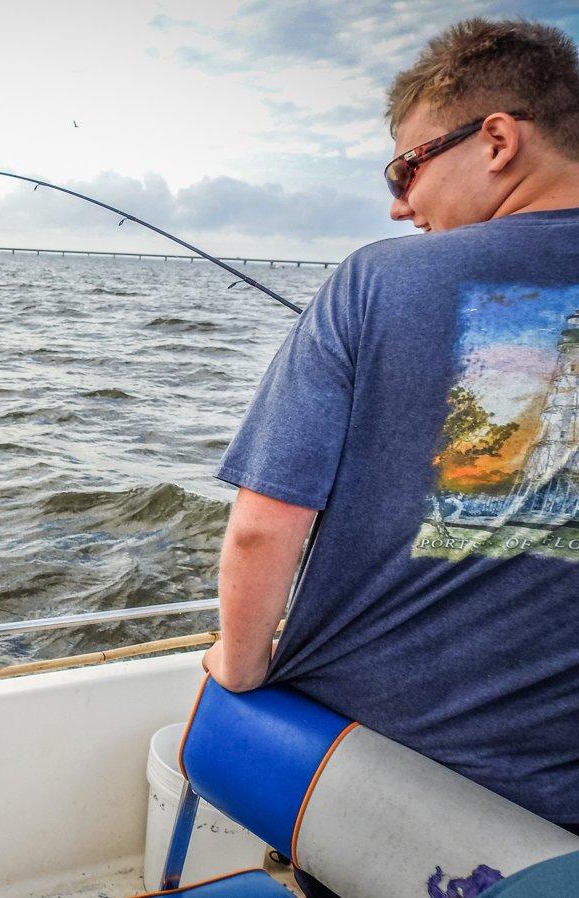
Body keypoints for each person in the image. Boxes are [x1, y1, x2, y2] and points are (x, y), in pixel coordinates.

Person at [199, 19, 579, 897]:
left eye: (405, 168)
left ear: (496, 140)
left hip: (374, 774)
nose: (400, 205)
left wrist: (239, 665)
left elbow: (264, 530)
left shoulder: (376, 281)